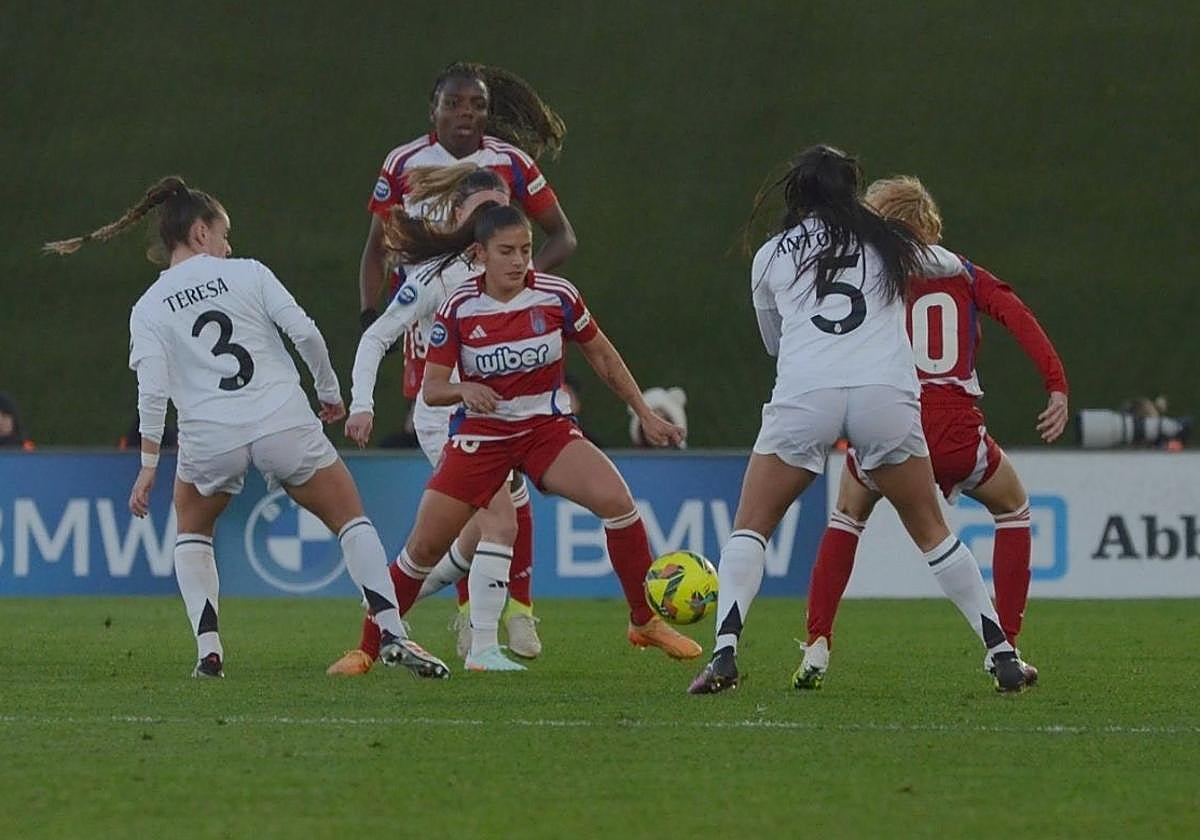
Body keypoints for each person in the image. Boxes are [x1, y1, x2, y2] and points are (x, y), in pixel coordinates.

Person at [43, 176, 449, 680]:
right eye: (222, 233)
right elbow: (304, 331)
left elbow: (152, 390)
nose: (228, 244)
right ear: (199, 233)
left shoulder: (147, 308)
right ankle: (391, 631)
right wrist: (328, 392)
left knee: (192, 528)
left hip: (211, 436)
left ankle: (209, 650)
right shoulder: (248, 273)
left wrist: (148, 466)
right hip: (280, 417)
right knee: (349, 517)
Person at [689, 145, 1026, 695]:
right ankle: (1001, 652)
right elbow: (954, 267)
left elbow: (774, 343)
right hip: (884, 395)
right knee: (932, 531)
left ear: (796, 192)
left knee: (752, 524)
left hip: (807, 392)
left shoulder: (772, 255)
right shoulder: (892, 242)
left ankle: (725, 650)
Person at [376, 201, 701, 662]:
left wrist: (644, 413)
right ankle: (369, 647)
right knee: (425, 546)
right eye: (506, 251)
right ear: (479, 255)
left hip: (545, 430)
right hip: (484, 438)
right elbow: (431, 390)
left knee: (618, 501)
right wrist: (464, 388)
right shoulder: (458, 307)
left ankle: (643, 621)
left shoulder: (557, 296)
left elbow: (603, 357)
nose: (518, 260)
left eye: (525, 249)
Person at [798, 176, 1068, 689]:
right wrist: (1056, 386)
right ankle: (1005, 646)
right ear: (927, 226)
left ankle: (817, 644)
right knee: (1013, 508)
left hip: (891, 422)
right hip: (955, 427)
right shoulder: (964, 273)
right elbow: (1019, 317)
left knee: (848, 513)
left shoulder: (868, 275)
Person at [359, 62, 572, 656]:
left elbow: (563, 236)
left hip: (504, 355)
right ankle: (459, 613)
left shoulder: (511, 163)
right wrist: (368, 315)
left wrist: (512, 294)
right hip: (435, 353)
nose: (466, 115)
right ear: (433, 110)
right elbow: (376, 250)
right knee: (484, 502)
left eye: (476, 105)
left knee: (497, 501)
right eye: (454, 104)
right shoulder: (404, 166)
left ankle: (506, 614)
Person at [327, 163, 533, 674]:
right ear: (461, 218)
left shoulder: (523, 279)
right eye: (483, 212)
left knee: (450, 543)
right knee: (501, 523)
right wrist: (362, 404)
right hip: (449, 421)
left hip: (502, 422)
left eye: (501, 209)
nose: (495, 220)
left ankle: (383, 618)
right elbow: (376, 337)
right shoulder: (436, 278)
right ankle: (484, 649)